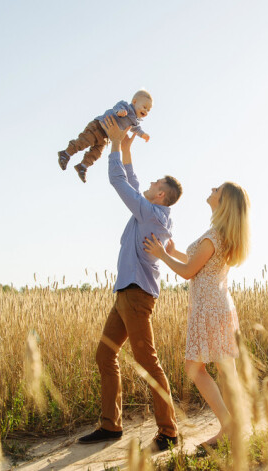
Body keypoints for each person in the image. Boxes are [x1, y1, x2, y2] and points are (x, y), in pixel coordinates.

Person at [78, 115, 182, 453]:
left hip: (137, 296)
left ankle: (168, 430)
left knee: (148, 362)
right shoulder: (148, 208)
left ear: (161, 194)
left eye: (155, 184)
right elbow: (134, 181)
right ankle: (111, 425)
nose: (148, 185)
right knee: (105, 354)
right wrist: (124, 146)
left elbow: (120, 181)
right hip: (124, 294)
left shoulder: (152, 214)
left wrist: (112, 145)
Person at [143, 181, 250, 447]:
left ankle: (229, 427)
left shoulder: (214, 236)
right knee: (227, 371)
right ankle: (236, 427)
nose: (212, 190)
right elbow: (198, 263)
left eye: (217, 190)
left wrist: (161, 255)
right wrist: (172, 251)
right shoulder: (222, 234)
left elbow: (189, 271)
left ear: (223, 201)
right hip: (220, 306)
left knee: (194, 368)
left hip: (209, 309)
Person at [58, 89, 153, 183]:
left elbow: (137, 129)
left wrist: (143, 135)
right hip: (99, 126)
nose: (146, 111)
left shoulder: (135, 122)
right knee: (85, 141)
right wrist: (119, 112)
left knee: (97, 153)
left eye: (148, 110)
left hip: (106, 137)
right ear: (134, 101)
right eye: (144, 107)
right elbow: (117, 107)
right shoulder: (125, 107)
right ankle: (66, 153)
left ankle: (82, 166)